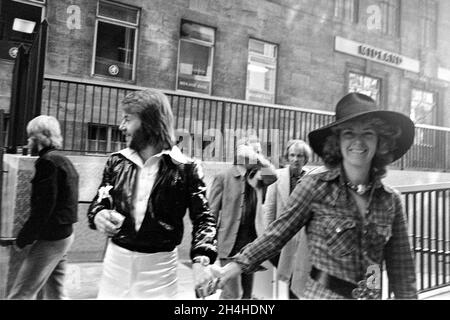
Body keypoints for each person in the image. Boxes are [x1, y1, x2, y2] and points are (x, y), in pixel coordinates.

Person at [212, 92, 418, 299]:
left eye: (368, 133)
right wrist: (234, 266)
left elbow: (403, 273)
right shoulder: (315, 187)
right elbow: (276, 234)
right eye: (349, 133)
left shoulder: (392, 201)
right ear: (337, 142)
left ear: (380, 141)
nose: (358, 142)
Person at [87, 89, 217, 299]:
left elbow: (204, 218)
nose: (121, 126)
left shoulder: (186, 168)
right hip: (115, 264)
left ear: (149, 123)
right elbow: (99, 202)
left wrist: (202, 260)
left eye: (127, 119)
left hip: (160, 271)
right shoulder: (116, 162)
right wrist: (98, 215)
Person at [8, 115, 79, 300]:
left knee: (21, 293)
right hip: (65, 234)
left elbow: (44, 207)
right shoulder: (63, 160)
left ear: (40, 138)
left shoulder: (47, 162)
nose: (27, 142)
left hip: (52, 237)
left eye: (30, 137)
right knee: (56, 292)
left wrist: (23, 238)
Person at [208, 134, 277, 299]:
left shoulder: (258, 177)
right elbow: (211, 213)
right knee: (232, 294)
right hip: (229, 244)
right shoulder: (223, 177)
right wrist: (209, 246)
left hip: (251, 245)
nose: (254, 155)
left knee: (247, 294)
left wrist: (258, 157)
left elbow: (273, 176)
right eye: (251, 152)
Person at [264, 139, 312, 299]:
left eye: (300, 156)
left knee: (301, 282)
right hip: (282, 240)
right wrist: (268, 239)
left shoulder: (312, 179)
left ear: (305, 158)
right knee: (289, 280)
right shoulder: (276, 176)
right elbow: (269, 208)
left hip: (305, 241)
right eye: (292, 155)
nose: (296, 159)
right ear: (287, 157)